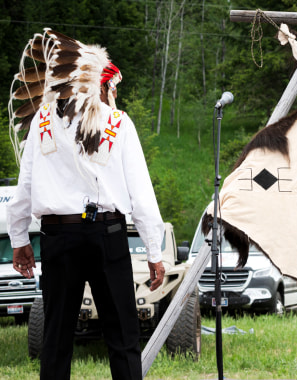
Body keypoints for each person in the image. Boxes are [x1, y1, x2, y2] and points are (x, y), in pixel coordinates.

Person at [6, 29, 165, 379]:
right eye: (114, 87)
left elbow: (25, 188)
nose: (115, 94)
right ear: (100, 85)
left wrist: (19, 240)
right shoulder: (117, 122)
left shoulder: (42, 122)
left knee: (56, 338)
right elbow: (141, 194)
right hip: (106, 235)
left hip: (58, 239)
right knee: (122, 336)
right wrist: (154, 250)